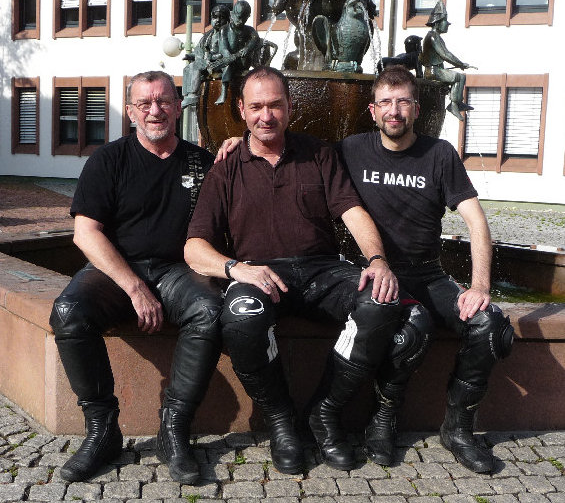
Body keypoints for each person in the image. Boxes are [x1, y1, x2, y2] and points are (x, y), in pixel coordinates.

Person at [185, 66, 402, 474]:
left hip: (322, 270)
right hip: (258, 274)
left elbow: (353, 213)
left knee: (380, 302)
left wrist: (377, 261)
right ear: (241, 110)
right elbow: (194, 248)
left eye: (275, 105)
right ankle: (281, 419)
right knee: (240, 317)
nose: (266, 116)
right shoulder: (226, 166)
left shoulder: (319, 153)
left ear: (290, 106)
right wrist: (236, 269)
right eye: (256, 107)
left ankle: (325, 411)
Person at [49, 71, 223, 484]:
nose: (154, 111)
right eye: (144, 103)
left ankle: (173, 429)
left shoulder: (202, 163)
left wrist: (236, 143)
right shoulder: (108, 159)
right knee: (68, 312)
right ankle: (102, 431)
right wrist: (133, 287)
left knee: (211, 311)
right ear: (130, 112)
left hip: (179, 271)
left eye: (163, 101)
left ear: (177, 107)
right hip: (116, 270)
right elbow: (85, 234)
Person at [338, 65, 513, 473]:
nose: (394, 110)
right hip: (373, 274)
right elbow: (294, 153)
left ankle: (458, 429)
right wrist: (241, 140)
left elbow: (477, 222)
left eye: (403, 102)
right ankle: (382, 419)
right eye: (385, 102)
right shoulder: (351, 149)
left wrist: (479, 286)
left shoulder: (440, 155)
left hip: (427, 275)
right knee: (410, 330)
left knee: (489, 325)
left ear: (416, 109)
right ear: (372, 110)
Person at [420, 0, 475, 120]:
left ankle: (457, 102)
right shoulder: (433, 36)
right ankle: (454, 105)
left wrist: (460, 64)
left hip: (436, 70)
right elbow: (445, 54)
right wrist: (460, 64)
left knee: (460, 77)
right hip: (433, 72)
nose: (447, 25)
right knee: (459, 77)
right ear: (438, 22)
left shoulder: (435, 36)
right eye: (445, 22)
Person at [182, 4, 230, 107]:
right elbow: (199, 50)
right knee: (187, 68)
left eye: (221, 18)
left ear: (227, 20)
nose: (218, 20)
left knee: (194, 66)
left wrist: (212, 57)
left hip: (218, 63)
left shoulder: (227, 34)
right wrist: (191, 55)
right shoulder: (208, 35)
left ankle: (193, 96)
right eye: (215, 17)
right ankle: (186, 96)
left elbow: (225, 53)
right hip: (206, 60)